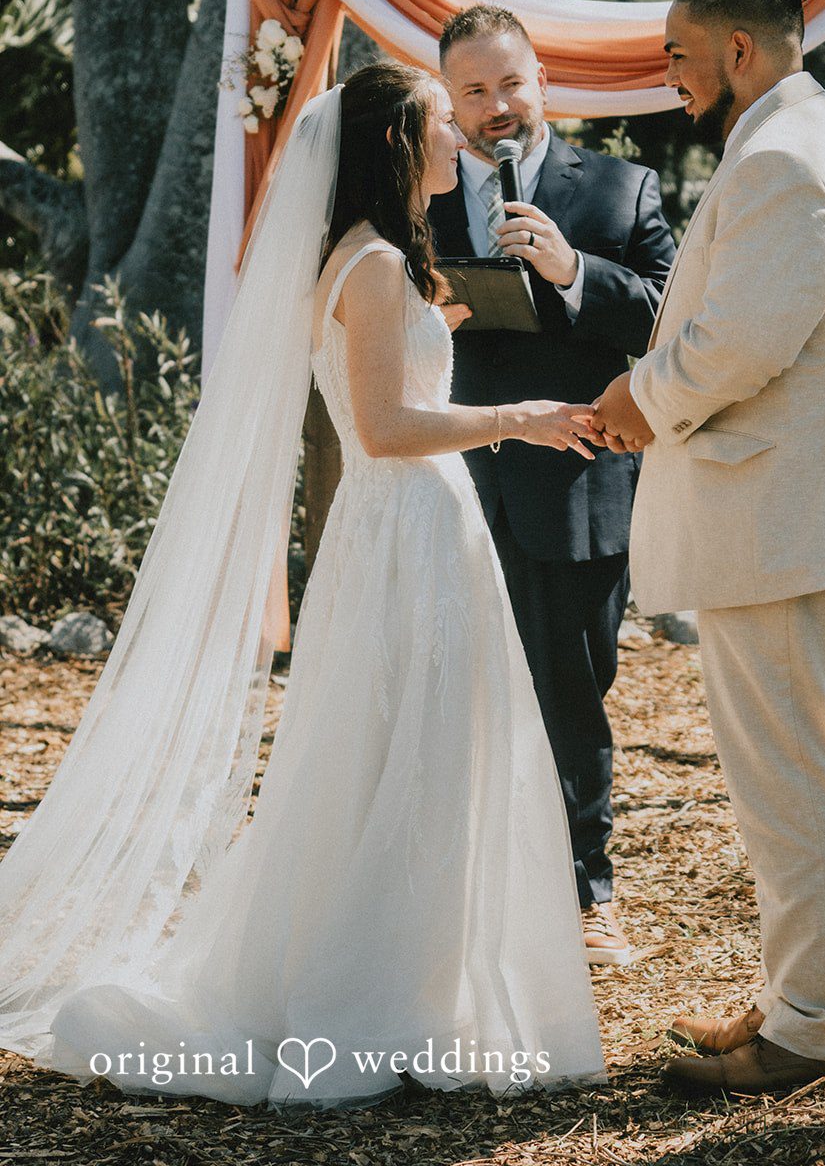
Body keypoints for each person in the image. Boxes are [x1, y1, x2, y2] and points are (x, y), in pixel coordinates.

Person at [0, 61, 605, 1109]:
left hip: (413, 528)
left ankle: (425, 984)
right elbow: (383, 428)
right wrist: (523, 417)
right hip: (407, 526)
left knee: (416, 754)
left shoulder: (376, 263)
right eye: (436, 128)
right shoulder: (369, 266)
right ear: (393, 147)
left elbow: (388, 379)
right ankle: (377, 995)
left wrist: (440, 329)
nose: (456, 142)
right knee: (397, 756)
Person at [592, 0, 825, 1095]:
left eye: (678, 55)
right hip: (800, 514)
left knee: (800, 776)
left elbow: (744, 340)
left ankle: (817, 1026)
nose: (669, 76)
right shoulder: (803, 135)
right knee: (802, 769)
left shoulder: (790, 154)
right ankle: (807, 994)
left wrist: (635, 400)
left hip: (800, 520)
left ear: (738, 48)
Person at [430, 6, 676, 967]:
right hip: (446, 485)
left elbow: (669, 319)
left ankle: (586, 894)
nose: (497, 107)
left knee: (571, 695)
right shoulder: (419, 190)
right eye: (475, 91)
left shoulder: (618, 187)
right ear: (449, 100)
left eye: (511, 84)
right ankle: (465, 888)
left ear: (543, 82)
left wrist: (574, 270)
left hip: (575, 488)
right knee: (448, 691)